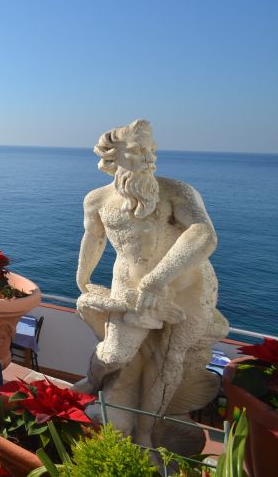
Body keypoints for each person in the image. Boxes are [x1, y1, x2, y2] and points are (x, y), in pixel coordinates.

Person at [74, 119, 228, 447]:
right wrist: (82, 275)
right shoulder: (97, 200)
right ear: (113, 157)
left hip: (187, 286)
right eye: (138, 150)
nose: (149, 157)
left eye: (151, 149)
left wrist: (158, 279)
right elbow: (94, 237)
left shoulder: (177, 192)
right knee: (115, 354)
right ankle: (92, 380)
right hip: (130, 283)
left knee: (170, 359)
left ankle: (146, 432)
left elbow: (204, 234)